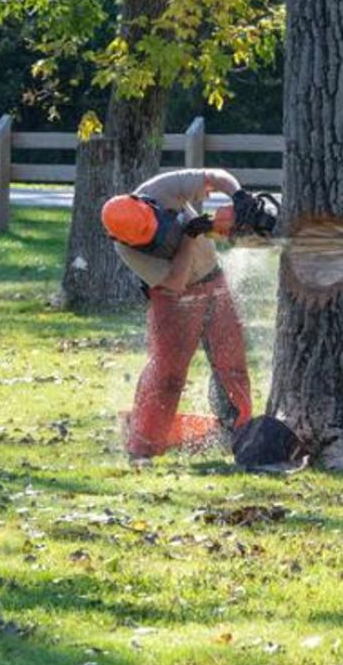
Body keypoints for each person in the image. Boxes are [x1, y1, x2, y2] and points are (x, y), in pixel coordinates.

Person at [101, 168, 253, 458]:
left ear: (146, 204)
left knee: (231, 362)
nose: (155, 236)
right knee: (167, 375)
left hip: (214, 279)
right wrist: (187, 237)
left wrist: (238, 196)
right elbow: (175, 282)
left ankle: (238, 432)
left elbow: (213, 176)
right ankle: (144, 446)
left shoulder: (159, 189)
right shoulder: (127, 250)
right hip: (174, 297)